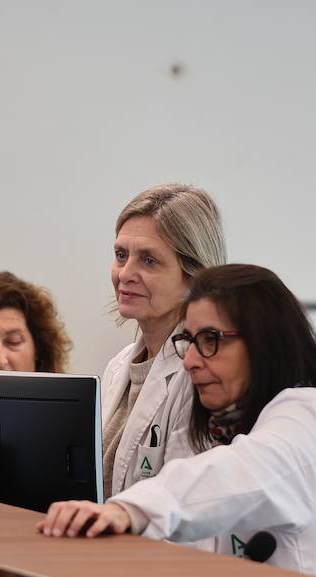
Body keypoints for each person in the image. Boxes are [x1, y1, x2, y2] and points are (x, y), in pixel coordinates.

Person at [38, 264, 316, 577]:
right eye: (189, 341)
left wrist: (126, 510)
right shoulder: (236, 427)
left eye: (210, 340)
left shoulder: (310, 414)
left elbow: (234, 476)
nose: (190, 361)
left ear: (264, 343)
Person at [99, 183, 226, 499]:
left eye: (149, 260)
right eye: (121, 255)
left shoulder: (202, 374)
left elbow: (188, 505)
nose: (125, 273)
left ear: (194, 274)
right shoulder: (120, 365)